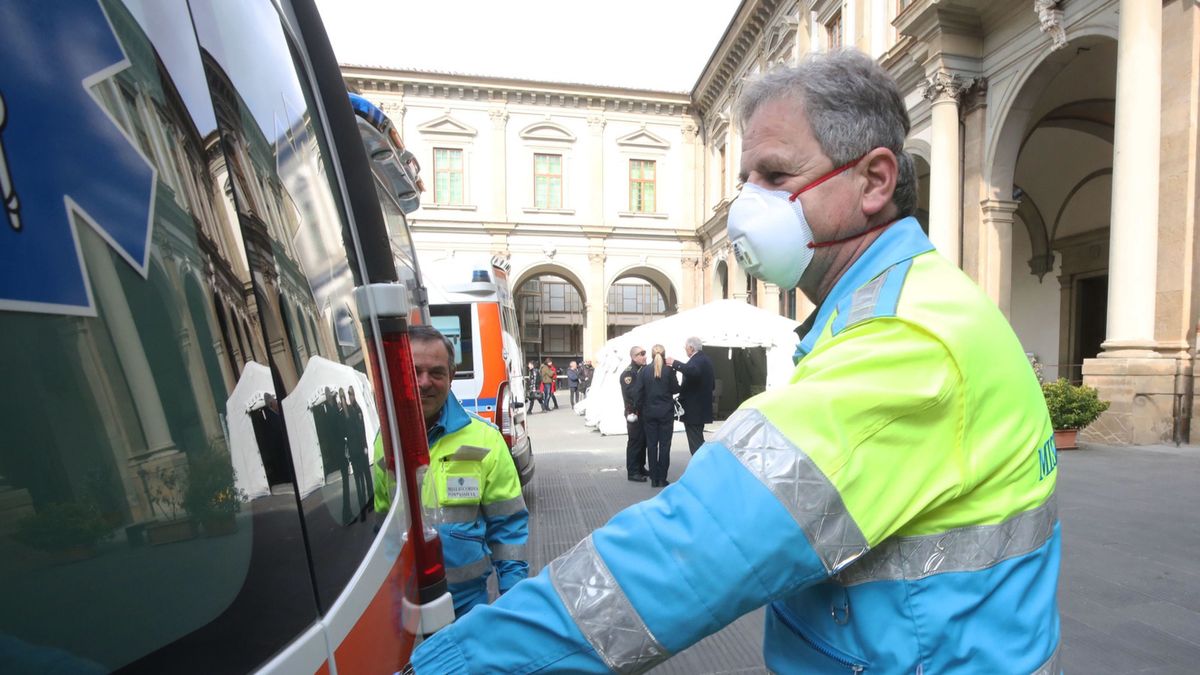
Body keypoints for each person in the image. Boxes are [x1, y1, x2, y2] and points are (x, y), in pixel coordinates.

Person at [408, 50, 1060, 674]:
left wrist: (453, 664)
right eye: (746, 179)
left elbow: (697, 545)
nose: (748, 202)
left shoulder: (906, 339)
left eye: (775, 176)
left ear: (874, 180)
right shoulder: (906, 306)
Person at [371, 326, 528, 618]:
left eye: (436, 373)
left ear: (451, 376)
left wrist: (513, 600)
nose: (424, 382)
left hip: (467, 608)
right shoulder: (385, 442)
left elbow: (509, 528)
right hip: (404, 606)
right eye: (414, 371)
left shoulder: (486, 439)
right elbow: (383, 529)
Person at [631, 344, 679, 488]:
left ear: (652, 355)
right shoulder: (669, 370)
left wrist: (638, 409)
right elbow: (675, 389)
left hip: (649, 413)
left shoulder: (644, 371)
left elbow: (637, 393)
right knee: (665, 446)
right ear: (664, 354)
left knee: (651, 445)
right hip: (666, 413)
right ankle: (662, 478)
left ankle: (653, 478)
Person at [668, 336, 715, 455]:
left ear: (691, 348)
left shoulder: (698, 360)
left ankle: (701, 465)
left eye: (685, 347)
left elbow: (693, 372)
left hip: (694, 410)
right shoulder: (705, 359)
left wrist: (675, 364)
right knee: (698, 440)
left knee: (696, 444)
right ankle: (703, 463)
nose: (685, 350)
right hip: (700, 408)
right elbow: (712, 385)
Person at [618, 345, 649, 482]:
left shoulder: (641, 370)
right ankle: (633, 471)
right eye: (641, 354)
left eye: (644, 354)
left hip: (643, 411)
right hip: (634, 412)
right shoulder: (629, 373)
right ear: (633, 357)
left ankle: (640, 467)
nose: (644, 357)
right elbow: (632, 393)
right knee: (635, 441)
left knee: (643, 441)